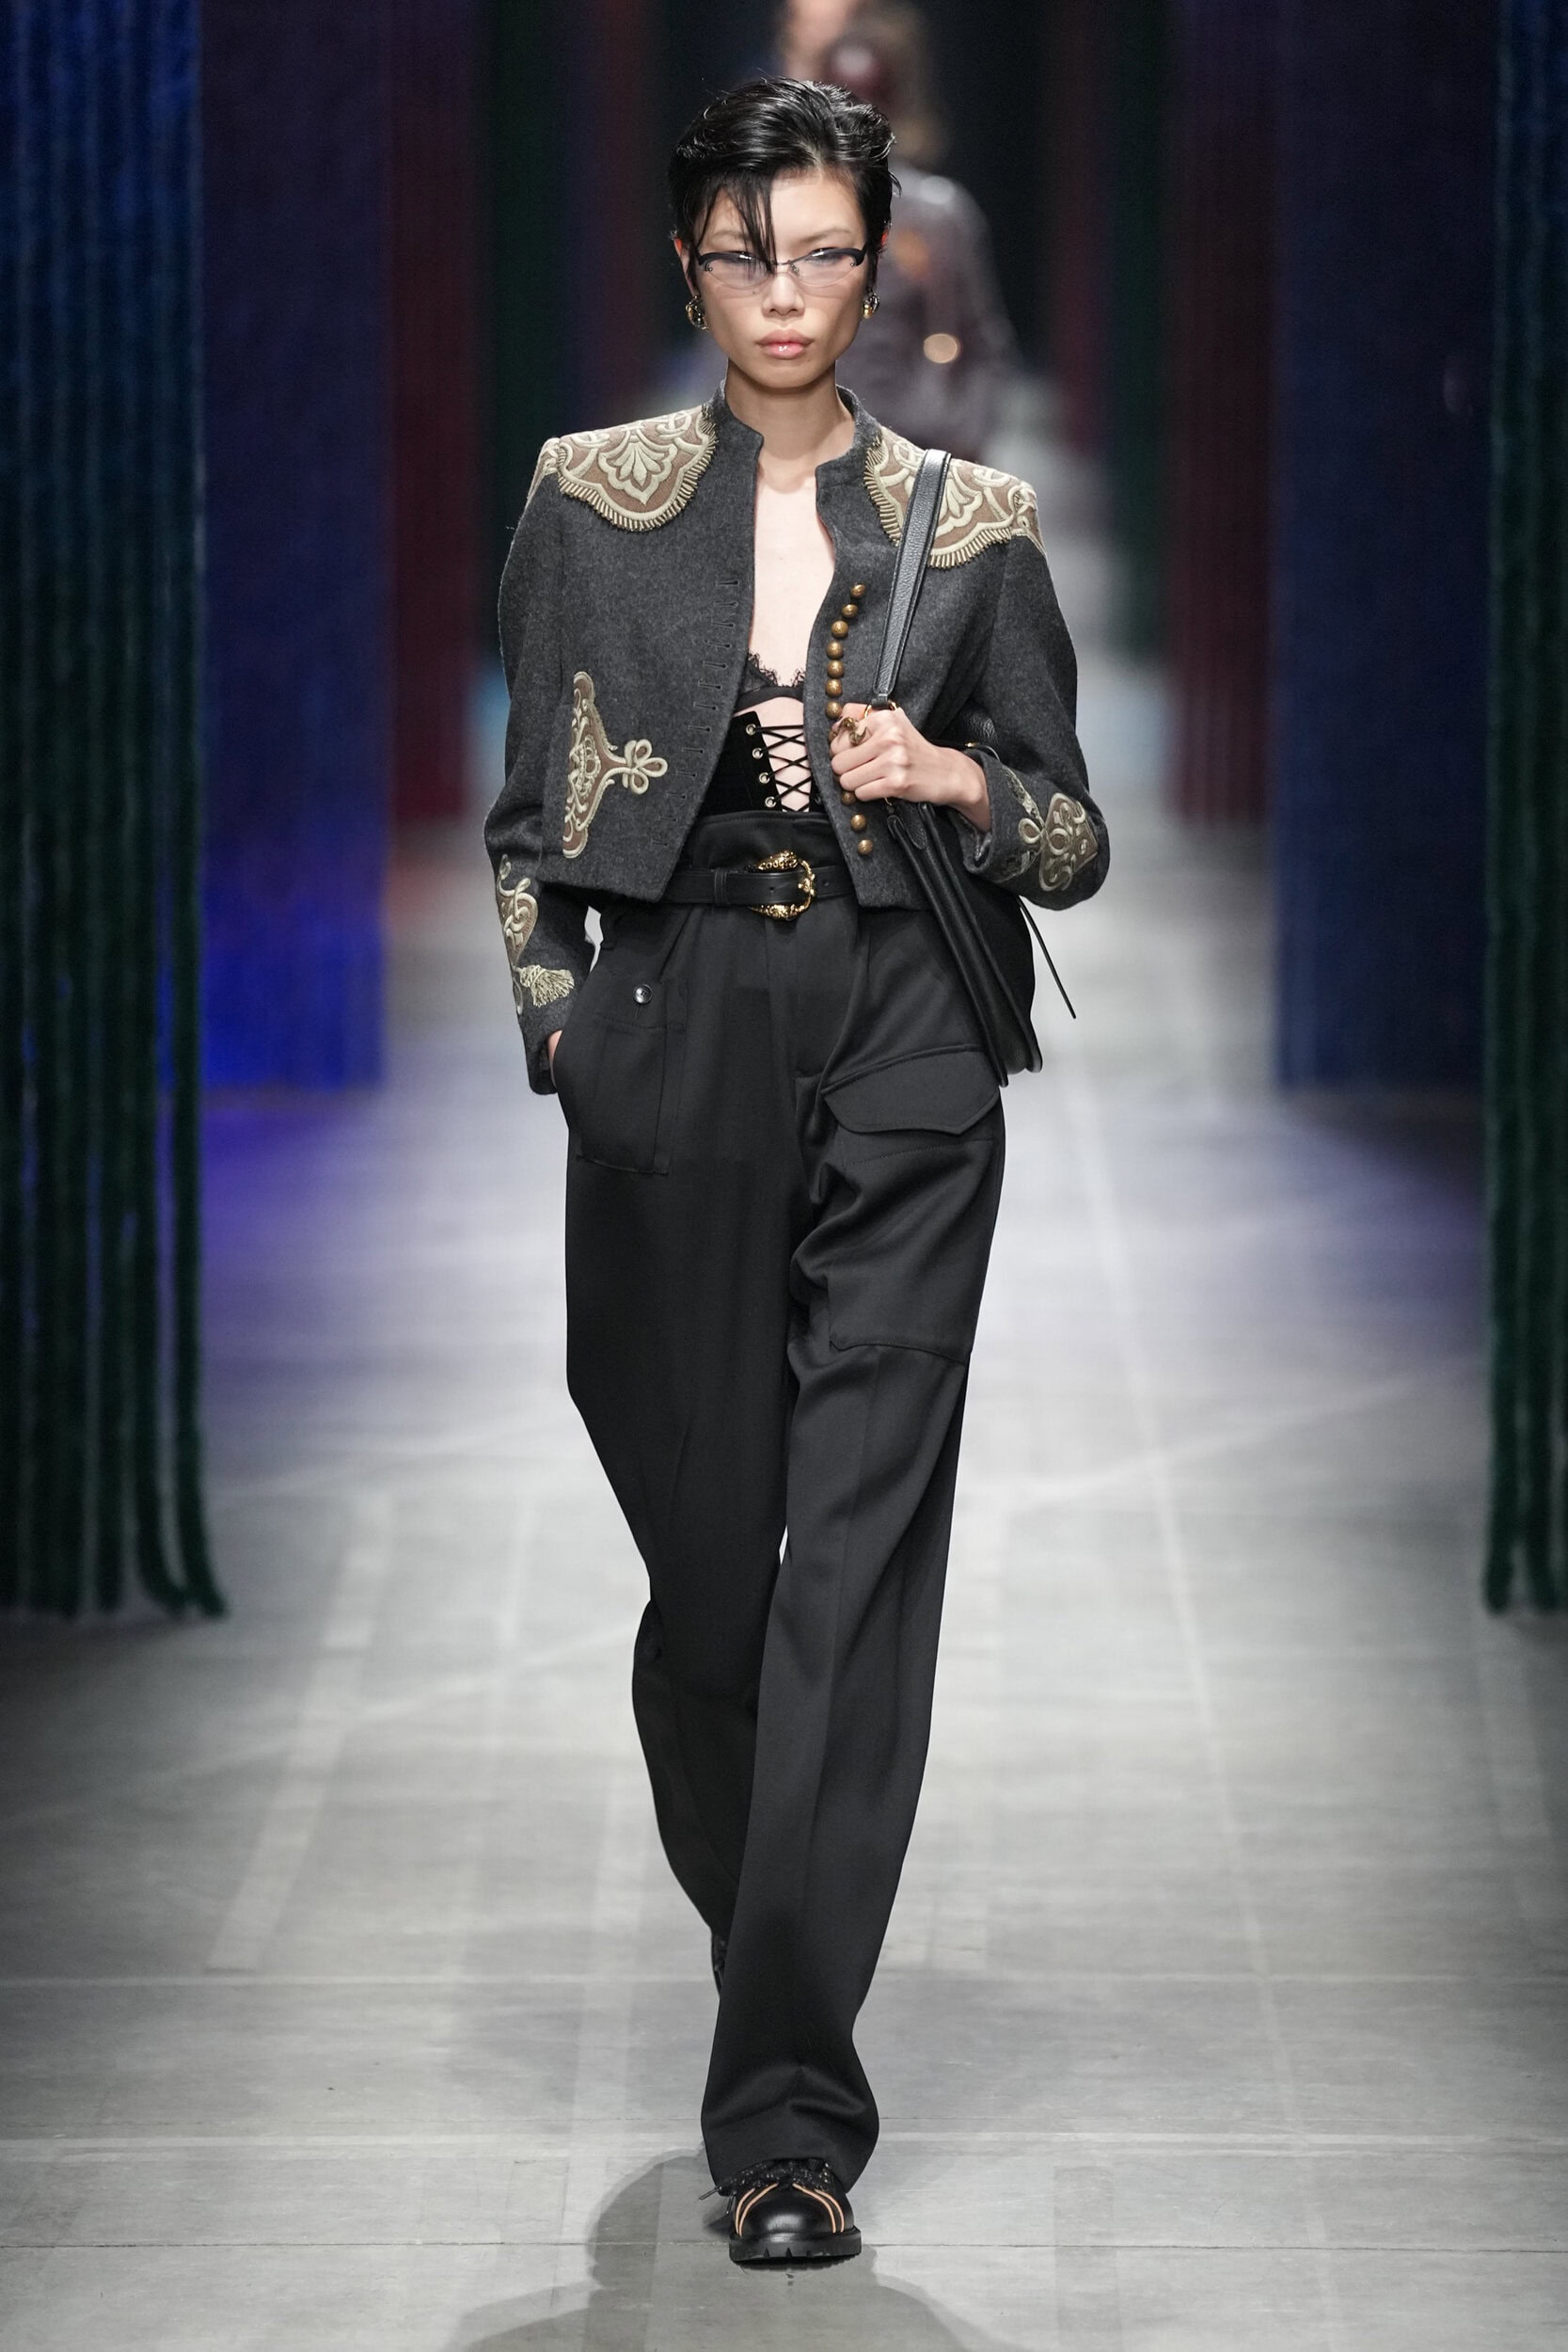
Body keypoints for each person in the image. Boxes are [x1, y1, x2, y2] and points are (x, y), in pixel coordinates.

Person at [485, 75, 1107, 2269]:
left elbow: (1069, 836)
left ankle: (782, 2119)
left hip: (905, 1035)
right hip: (670, 1035)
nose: (786, 293)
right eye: (750, 254)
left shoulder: (973, 522)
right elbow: (529, 817)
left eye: (825, 253)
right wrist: (564, 1034)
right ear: (691, 262)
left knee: (848, 1569)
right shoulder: (586, 500)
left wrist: (949, 773)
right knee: (712, 1597)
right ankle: (775, 1924)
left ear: (872, 264)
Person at [823, 5, 1018, 458]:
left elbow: (984, 345)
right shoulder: (779, 215)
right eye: (838, 103)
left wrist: (960, 446)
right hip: (809, 458)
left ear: (892, 105)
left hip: (914, 451)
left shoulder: (936, 216)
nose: (851, 121)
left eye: (867, 101)